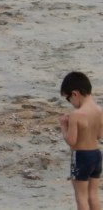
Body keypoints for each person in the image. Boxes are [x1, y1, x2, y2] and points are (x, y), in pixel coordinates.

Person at [60, 71, 103, 210]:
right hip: (96, 155)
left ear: (75, 94)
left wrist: (63, 126)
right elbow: (99, 135)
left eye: (68, 99)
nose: (70, 103)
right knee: (93, 195)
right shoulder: (99, 110)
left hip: (81, 157)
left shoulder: (76, 115)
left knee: (81, 197)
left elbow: (71, 141)